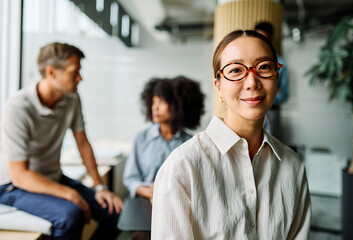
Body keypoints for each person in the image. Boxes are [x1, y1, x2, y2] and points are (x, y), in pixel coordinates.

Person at [151, 30, 311, 239]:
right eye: (236, 70)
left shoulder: (293, 167)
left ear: (276, 78)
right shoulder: (182, 168)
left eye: (264, 67)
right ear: (219, 87)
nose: (252, 82)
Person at [0, 42, 123, 239]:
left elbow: (82, 143)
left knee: (115, 212)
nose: (80, 78)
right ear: (51, 72)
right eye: (74, 72)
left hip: (53, 178)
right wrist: (69, 194)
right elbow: (20, 176)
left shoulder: (71, 99)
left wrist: (100, 187)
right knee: (70, 215)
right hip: (12, 186)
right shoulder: (17, 109)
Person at [123, 76, 205, 240]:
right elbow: (130, 178)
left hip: (179, 203)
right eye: (153, 102)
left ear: (177, 106)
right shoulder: (142, 138)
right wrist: (147, 191)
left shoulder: (193, 142)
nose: (155, 108)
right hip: (145, 205)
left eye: (161, 102)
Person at [255, 21, 289, 139]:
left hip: (270, 111)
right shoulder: (247, 60)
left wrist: (262, 96)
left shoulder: (280, 63)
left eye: (264, 38)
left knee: (269, 147)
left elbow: (284, 95)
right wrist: (272, 91)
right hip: (250, 110)